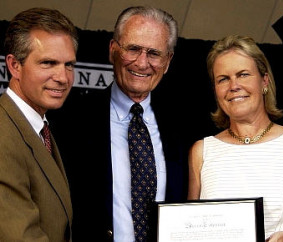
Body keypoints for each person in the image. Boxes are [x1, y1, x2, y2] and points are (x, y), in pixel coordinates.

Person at [54, 5, 189, 242]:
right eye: (133, 49)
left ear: (167, 62)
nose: (142, 63)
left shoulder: (184, 127)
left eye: (154, 53)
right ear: (112, 50)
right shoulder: (69, 121)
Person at [188, 34, 283, 241]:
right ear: (216, 90)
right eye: (223, 79)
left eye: (243, 75)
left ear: (264, 80)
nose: (233, 86)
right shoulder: (201, 151)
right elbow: (189, 228)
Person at [0, 7, 77, 241]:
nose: (63, 77)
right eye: (48, 63)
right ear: (14, 66)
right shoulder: (3, 133)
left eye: (69, 65)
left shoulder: (38, 127)